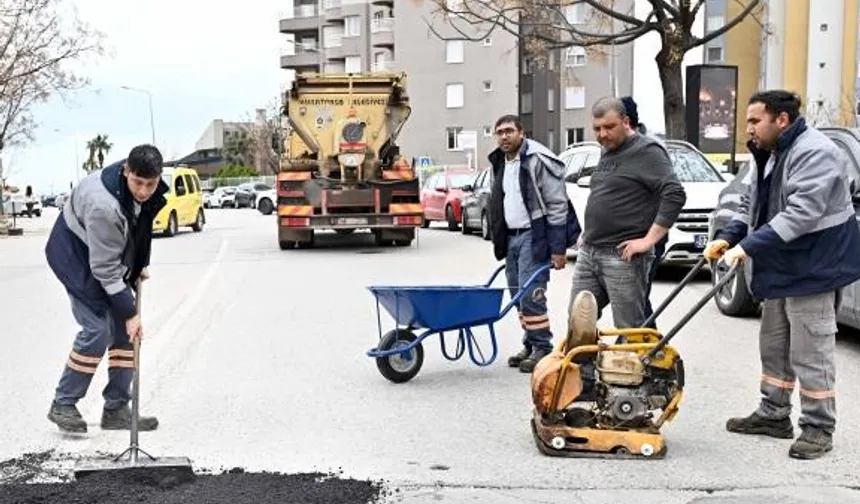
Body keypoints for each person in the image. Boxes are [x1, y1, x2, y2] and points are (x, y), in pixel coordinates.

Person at [705, 90, 860, 459]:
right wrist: (729, 237)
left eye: (754, 121)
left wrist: (748, 247)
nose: (748, 129)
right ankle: (773, 413)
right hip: (782, 262)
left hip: (814, 266)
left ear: (782, 120)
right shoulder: (770, 152)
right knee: (774, 345)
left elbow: (803, 212)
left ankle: (818, 427)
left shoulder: (816, 152)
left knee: (811, 351)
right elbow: (751, 204)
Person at [44, 144, 169, 433]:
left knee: (126, 332)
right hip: (75, 256)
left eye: (150, 184)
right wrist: (130, 312)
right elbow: (105, 270)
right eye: (138, 183)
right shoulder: (104, 205)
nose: (144, 191)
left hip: (102, 253)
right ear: (126, 171)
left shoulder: (146, 189)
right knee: (98, 329)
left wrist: (137, 265)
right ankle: (63, 403)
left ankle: (116, 409)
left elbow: (139, 230)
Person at [488, 114, 581, 373]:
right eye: (500, 132)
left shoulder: (537, 159)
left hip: (534, 236)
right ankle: (530, 342)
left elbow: (557, 205)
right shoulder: (500, 161)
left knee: (531, 293)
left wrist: (558, 249)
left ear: (521, 133)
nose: (504, 136)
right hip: (511, 237)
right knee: (517, 294)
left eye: (509, 131)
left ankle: (542, 346)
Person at [621, 96, 668, 329]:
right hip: (627, 235)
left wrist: (649, 239)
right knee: (633, 296)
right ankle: (638, 339)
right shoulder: (621, 147)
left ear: (625, 122)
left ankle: (645, 343)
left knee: (636, 296)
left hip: (645, 234)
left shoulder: (649, 149)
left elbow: (670, 194)